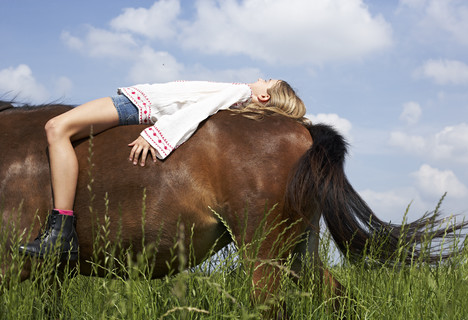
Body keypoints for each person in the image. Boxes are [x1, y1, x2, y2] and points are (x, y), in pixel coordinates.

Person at [19, 79, 308, 260]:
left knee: (56, 127)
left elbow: (196, 110)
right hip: (142, 103)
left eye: (266, 82)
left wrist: (157, 136)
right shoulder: (237, 95)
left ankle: (60, 228)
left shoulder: (239, 91)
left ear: (264, 98)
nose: (259, 79)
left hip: (137, 105)